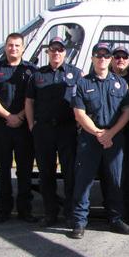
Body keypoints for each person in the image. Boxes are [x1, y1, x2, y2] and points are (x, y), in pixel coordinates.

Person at [69, 42, 129, 239]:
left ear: (110, 59)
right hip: (90, 139)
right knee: (84, 181)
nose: (103, 59)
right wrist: (99, 133)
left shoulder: (121, 83)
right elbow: (79, 114)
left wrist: (110, 133)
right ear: (92, 58)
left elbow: (127, 112)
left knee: (115, 181)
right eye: (99, 55)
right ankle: (79, 222)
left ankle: (115, 219)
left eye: (106, 56)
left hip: (114, 140)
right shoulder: (83, 83)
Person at [24, 36, 81, 227]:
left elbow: (81, 102)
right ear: (48, 52)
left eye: (60, 50)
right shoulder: (37, 75)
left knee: (70, 173)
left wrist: (79, 124)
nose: (56, 53)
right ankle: (50, 213)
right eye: (53, 49)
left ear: (65, 52)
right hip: (44, 130)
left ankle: (70, 214)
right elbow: (29, 102)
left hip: (67, 129)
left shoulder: (76, 73)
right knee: (46, 173)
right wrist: (31, 125)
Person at [0, 32, 37, 223]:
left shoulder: (31, 70)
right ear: (5, 47)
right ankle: (4, 211)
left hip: (24, 129)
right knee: (3, 171)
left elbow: (34, 99)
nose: (13, 48)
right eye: (10, 45)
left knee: (25, 171)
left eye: (17, 45)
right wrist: (9, 116)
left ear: (23, 48)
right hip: (2, 128)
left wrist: (20, 116)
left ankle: (25, 211)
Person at [110, 44, 129, 220]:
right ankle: (112, 210)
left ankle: (128, 211)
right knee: (111, 175)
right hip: (109, 134)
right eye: (117, 56)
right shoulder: (104, 77)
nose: (120, 60)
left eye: (124, 57)